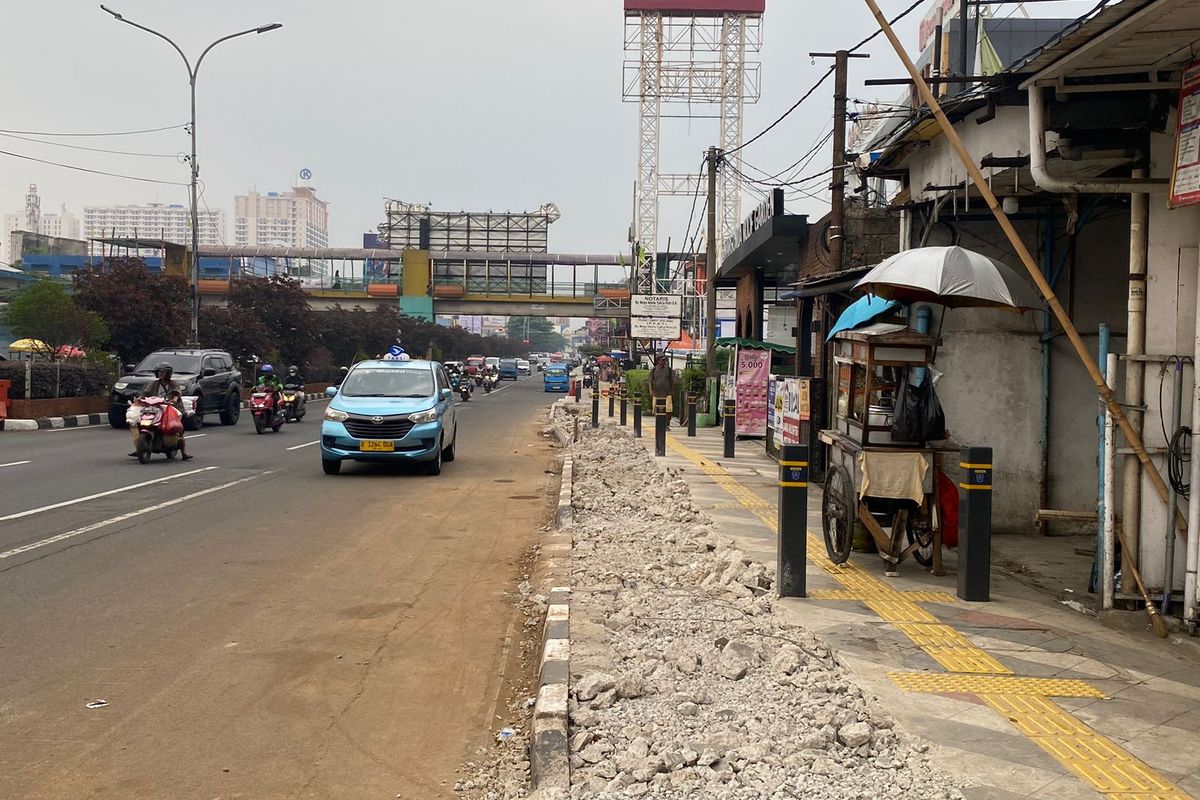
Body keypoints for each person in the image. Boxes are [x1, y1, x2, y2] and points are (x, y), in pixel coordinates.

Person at [130, 362, 192, 460]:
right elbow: (145, 392)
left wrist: (174, 399)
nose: (161, 373)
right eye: (159, 371)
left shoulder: (173, 383)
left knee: (178, 428)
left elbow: (176, 393)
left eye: (163, 372)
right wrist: (139, 398)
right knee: (139, 421)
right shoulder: (153, 383)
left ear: (169, 373)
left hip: (172, 407)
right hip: (155, 407)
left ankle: (184, 453)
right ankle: (140, 447)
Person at [650, 355, 677, 429]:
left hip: (667, 392)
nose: (664, 361)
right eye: (662, 360)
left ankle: (666, 425)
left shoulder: (668, 369)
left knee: (668, 410)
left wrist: (673, 391)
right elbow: (650, 381)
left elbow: (672, 381)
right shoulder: (654, 370)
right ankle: (659, 424)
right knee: (656, 409)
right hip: (657, 393)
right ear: (658, 361)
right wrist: (651, 390)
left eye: (664, 360)